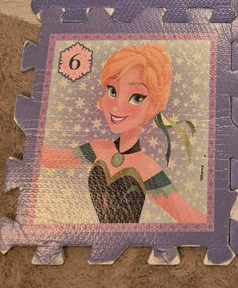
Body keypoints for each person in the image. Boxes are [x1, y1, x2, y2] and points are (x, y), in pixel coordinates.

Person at [41, 44, 207, 224]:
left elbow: (186, 215)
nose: (117, 107)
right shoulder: (98, 149)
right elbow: (51, 159)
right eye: (112, 91)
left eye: (136, 98)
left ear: (153, 107)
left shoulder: (148, 169)